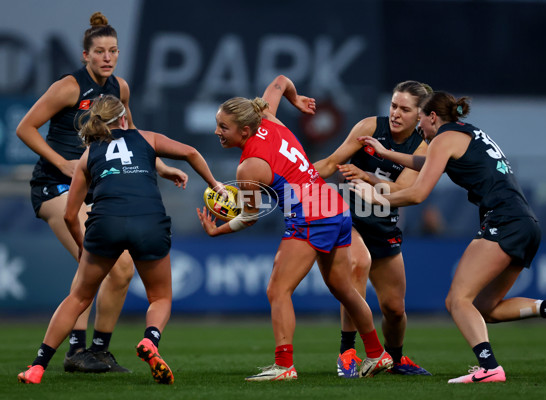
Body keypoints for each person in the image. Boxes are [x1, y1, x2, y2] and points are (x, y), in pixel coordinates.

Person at [352, 91, 546, 383]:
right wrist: (386, 153)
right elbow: (425, 163)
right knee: (485, 308)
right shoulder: (467, 132)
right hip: (525, 222)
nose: (420, 130)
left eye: (421, 121)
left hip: (504, 220)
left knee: (457, 300)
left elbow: (417, 194)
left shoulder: (441, 139)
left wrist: (373, 197)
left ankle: (489, 367)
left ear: (433, 117)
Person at [15, 12, 187, 373]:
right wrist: (64, 163)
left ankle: (97, 350)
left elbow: (133, 139)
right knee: (98, 265)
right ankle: (76, 350)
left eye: (113, 51)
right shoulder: (69, 87)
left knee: (120, 272)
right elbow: (25, 128)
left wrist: (163, 166)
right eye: (100, 52)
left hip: (95, 187)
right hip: (54, 185)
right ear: (85, 56)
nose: (107, 57)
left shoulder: (120, 89)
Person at [17, 94, 225, 384]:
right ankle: (150, 341)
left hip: (106, 224)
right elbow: (191, 152)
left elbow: (69, 215)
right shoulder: (147, 138)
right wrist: (215, 185)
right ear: (125, 118)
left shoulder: (89, 155)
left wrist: (83, 245)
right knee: (160, 297)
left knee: (78, 298)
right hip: (149, 221)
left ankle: (37, 367)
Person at [197, 75, 393, 381]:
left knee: (278, 289)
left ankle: (284, 365)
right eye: (218, 124)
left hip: (310, 214)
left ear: (244, 130)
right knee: (344, 289)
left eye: (224, 127)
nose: (217, 131)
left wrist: (218, 230)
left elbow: (249, 216)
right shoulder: (266, 116)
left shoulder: (249, 167)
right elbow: (280, 82)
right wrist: (296, 98)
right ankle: (377, 354)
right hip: (332, 204)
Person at [313, 81, 431, 377]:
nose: (395, 113)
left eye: (405, 109)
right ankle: (347, 352)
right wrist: (294, 176)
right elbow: (330, 163)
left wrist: (365, 176)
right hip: (348, 219)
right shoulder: (369, 127)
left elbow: (404, 189)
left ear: (420, 115)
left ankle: (395, 359)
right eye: (393, 106)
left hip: (383, 225)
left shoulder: (423, 147)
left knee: (394, 309)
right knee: (357, 264)